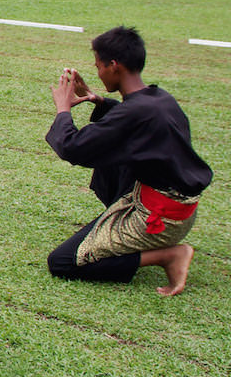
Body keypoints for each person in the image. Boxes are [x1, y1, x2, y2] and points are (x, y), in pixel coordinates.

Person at [45, 26, 212, 296]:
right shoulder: (158, 98)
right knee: (110, 153)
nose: (98, 72)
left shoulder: (135, 114)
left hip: (160, 218)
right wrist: (96, 99)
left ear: (114, 66)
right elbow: (126, 122)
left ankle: (169, 255)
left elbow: (73, 148)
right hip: (175, 205)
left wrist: (63, 109)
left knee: (63, 262)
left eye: (98, 66)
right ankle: (123, 227)